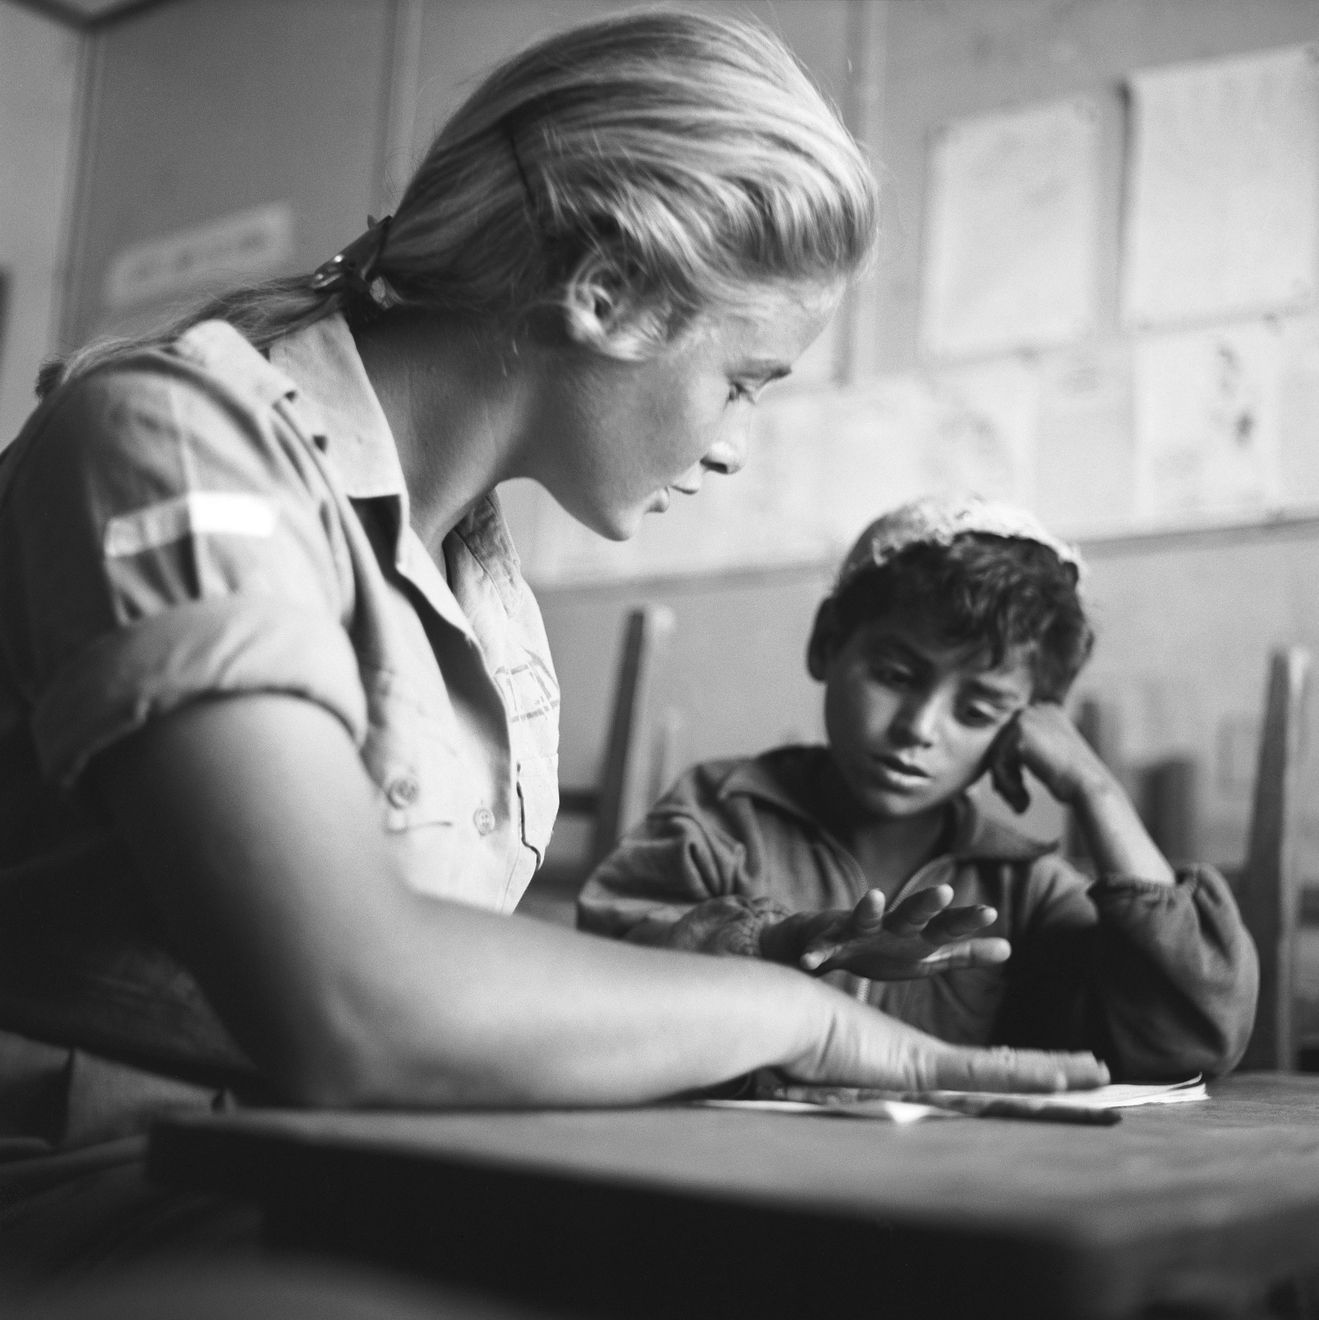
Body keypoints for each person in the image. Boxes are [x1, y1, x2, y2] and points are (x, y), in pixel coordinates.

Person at [0, 9, 1107, 1293]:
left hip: (353, 1180)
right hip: (109, 1201)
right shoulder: (169, 443)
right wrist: (813, 1021)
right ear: (606, 293)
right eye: (745, 379)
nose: (738, 440)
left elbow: (440, 971)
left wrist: (725, 966)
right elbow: (357, 1008)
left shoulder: (482, 589)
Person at [578, 494, 1259, 1083]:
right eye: (896, 675)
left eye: (977, 711)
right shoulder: (720, 817)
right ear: (826, 644)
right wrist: (775, 941)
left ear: (1021, 727)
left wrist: (1094, 789)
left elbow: (1194, 1034)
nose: (919, 729)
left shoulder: (1021, 887)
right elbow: (604, 988)